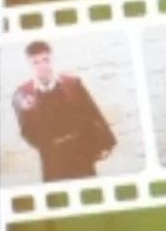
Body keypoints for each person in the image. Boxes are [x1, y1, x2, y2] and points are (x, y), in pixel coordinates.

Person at [11, 40, 117, 182]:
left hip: (80, 151)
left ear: (52, 59)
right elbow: (26, 130)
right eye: (35, 62)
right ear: (29, 65)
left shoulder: (72, 84)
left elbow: (92, 113)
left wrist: (104, 143)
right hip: (51, 158)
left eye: (45, 60)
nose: (42, 66)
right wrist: (47, 146)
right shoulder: (23, 94)